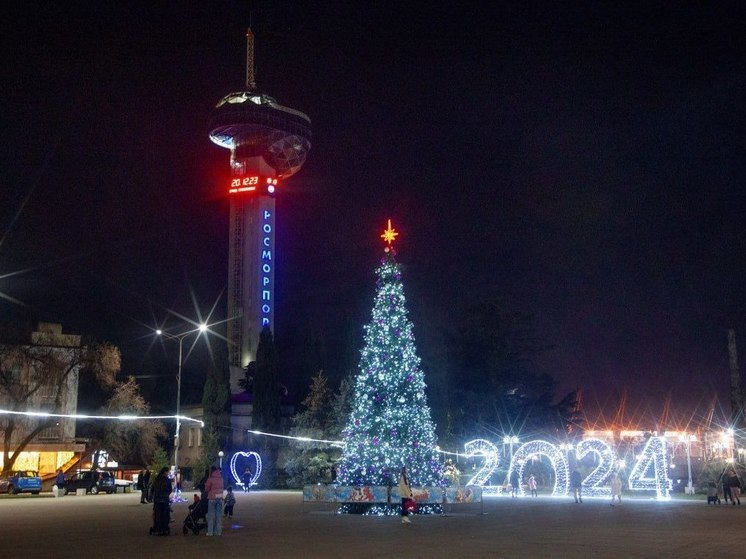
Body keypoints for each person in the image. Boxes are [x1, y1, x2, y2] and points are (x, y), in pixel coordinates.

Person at [151, 467, 173, 535]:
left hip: (157, 500)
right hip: (164, 499)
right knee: (165, 515)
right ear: (165, 472)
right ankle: (164, 528)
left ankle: (158, 528)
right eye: (168, 472)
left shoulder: (156, 480)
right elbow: (170, 490)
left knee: (158, 515)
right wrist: (166, 495)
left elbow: (152, 489)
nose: (168, 473)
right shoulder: (167, 481)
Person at [204, 466, 225, 536]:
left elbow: (207, 489)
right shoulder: (221, 479)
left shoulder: (210, 479)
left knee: (211, 516)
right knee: (218, 516)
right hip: (219, 497)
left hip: (212, 498)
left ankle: (210, 532)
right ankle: (218, 532)